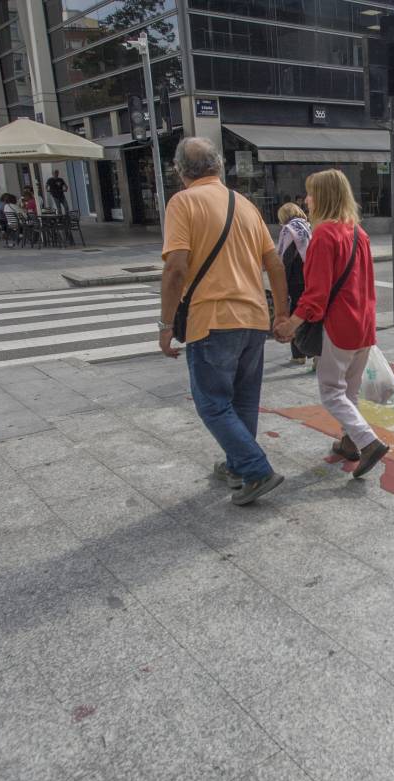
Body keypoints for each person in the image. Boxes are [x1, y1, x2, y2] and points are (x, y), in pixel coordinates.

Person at [158, 137, 291, 506]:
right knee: (244, 401)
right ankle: (237, 466)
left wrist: (166, 325)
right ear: (218, 166)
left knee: (212, 403)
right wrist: (280, 313)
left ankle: (255, 468)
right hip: (253, 319)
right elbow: (275, 264)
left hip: (212, 319)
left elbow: (176, 268)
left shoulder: (182, 202)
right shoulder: (245, 205)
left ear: (181, 170)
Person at [274, 169, 390, 479]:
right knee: (348, 392)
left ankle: (368, 442)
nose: (307, 199)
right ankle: (349, 444)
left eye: (311, 193)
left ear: (323, 197)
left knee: (331, 392)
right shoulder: (357, 232)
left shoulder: (324, 235)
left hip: (339, 327)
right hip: (364, 325)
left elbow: (316, 295)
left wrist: (291, 324)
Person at [275, 202, 313, 365]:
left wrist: (282, 281)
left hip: (296, 280)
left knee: (296, 315)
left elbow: (286, 258)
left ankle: (298, 355)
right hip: (310, 277)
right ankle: (313, 354)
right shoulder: (307, 227)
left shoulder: (289, 230)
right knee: (311, 314)